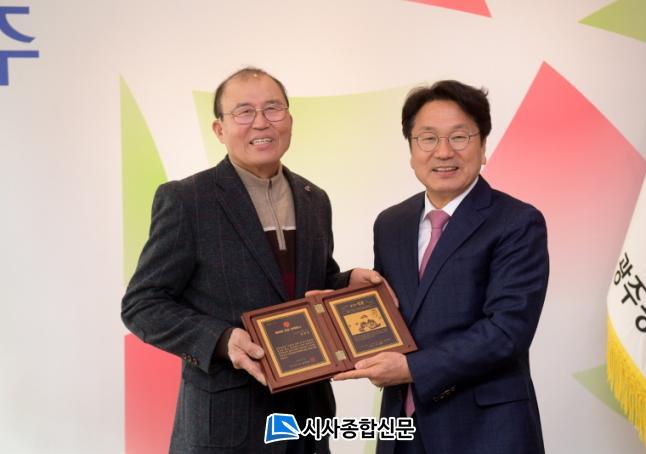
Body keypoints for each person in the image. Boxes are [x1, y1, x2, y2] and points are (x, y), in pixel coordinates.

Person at [122, 67, 379, 454]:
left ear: (289, 119)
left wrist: (346, 284)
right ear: (219, 129)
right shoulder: (188, 200)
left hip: (307, 418)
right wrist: (222, 340)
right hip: (228, 425)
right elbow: (143, 304)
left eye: (273, 108)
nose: (261, 122)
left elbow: (307, 285)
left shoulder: (314, 198)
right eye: (244, 111)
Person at [334, 80, 549, 454]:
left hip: (486, 431)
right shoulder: (391, 223)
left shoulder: (517, 221)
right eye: (428, 138)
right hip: (402, 429)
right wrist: (339, 303)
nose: (444, 152)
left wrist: (413, 369)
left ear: (483, 146)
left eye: (459, 137)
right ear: (411, 149)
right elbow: (393, 319)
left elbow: (507, 330)